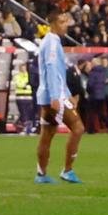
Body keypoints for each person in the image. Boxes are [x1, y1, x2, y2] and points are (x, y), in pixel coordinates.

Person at [35, 10, 85, 184]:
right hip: (53, 95)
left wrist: (68, 94)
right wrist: (56, 96)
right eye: (63, 22)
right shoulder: (51, 43)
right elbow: (51, 69)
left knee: (47, 133)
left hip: (47, 95)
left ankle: (41, 174)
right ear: (54, 23)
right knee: (78, 128)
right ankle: (67, 170)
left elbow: (58, 73)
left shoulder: (50, 41)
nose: (66, 25)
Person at [11, 61, 36, 134]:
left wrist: (27, 84)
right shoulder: (17, 76)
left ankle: (19, 124)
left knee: (28, 113)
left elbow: (32, 84)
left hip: (29, 97)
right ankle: (25, 128)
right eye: (22, 67)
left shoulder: (29, 75)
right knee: (24, 113)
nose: (24, 68)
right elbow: (19, 84)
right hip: (20, 97)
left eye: (25, 67)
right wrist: (26, 84)